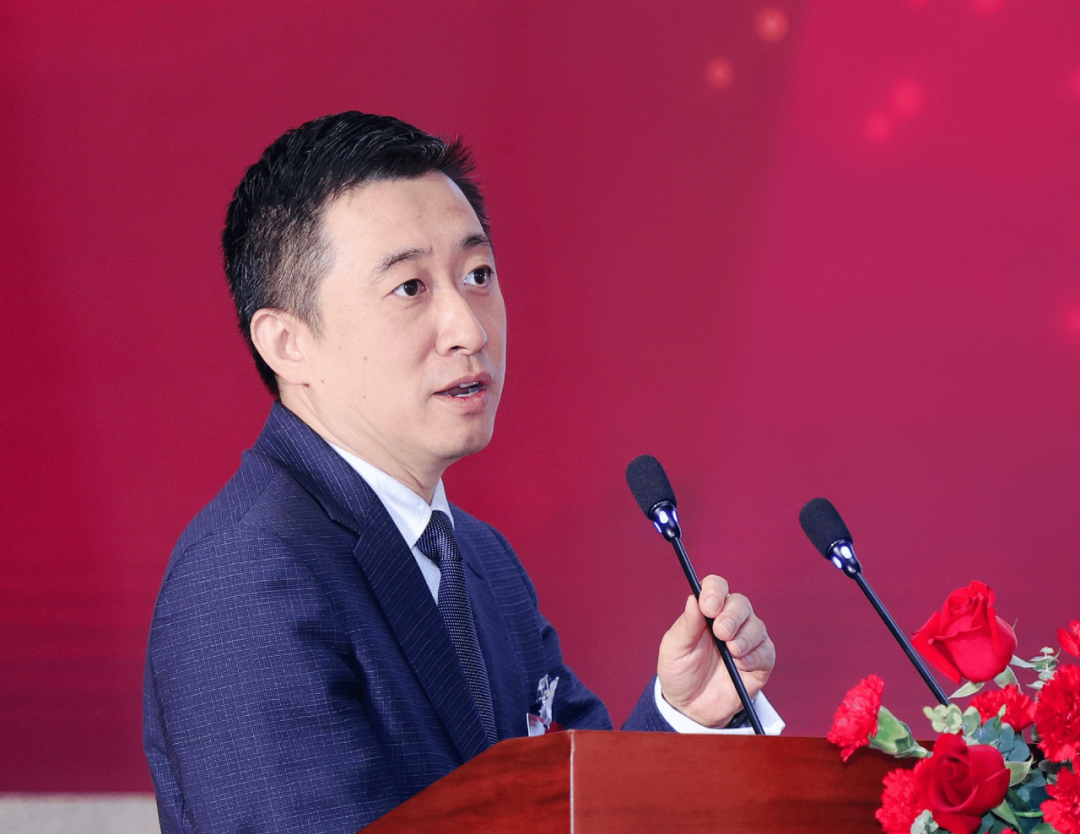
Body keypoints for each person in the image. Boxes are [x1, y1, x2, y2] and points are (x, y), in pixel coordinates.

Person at [143, 111, 781, 834]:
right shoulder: (246, 572)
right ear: (288, 343)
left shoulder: (481, 560)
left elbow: (573, 809)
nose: (470, 329)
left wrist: (686, 715)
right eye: (410, 288)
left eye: (477, 276)